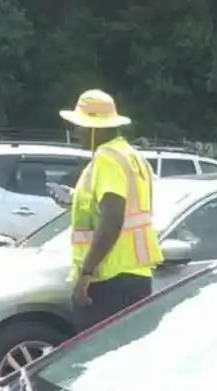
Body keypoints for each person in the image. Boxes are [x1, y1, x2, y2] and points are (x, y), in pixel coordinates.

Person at [59, 89, 163, 329]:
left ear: (95, 127)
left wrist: (86, 272)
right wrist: (74, 200)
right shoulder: (133, 156)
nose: (77, 132)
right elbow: (117, 208)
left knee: (96, 358)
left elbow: (113, 217)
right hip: (136, 276)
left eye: (81, 126)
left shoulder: (106, 158)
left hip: (108, 280)